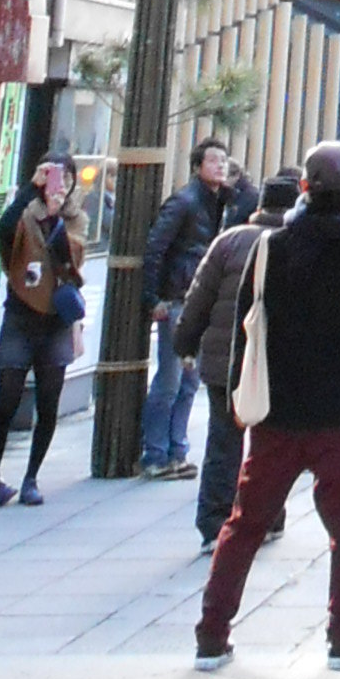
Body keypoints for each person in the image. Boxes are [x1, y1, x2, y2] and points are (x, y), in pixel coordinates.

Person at [194, 139, 340, 673]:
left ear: (304, 188)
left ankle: (212, 634)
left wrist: (242, 394)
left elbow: (246, 327)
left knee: (245, 523)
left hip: (279, 410)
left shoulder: (273, 247)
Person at [178, 166, 300, 550]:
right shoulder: (295, 243)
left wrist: (185, 343)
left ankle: (215, 524)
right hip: (276, 365)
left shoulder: (229, 241)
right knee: (271, 446)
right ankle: (268, 518)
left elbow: (199, 298)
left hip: (224, 359)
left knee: (223, 442)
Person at [139, 139, 248, 478]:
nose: (221, 166)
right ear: (198, 165)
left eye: (224, 160)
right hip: (177, 299)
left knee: (189, 381)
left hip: (201, 300)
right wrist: (153, 297)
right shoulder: (185, 202)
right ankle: (155, 454)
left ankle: (177, 451)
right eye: (213, 160)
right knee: (170, 379)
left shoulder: (223, 204)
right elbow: (156, 248)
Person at [0, 156, 87, 508]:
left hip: (55, 320)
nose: (62, 182)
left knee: (49, 401)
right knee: (7, 399)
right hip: (20, 316)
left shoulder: (76, 217)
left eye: (67, 176)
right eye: (55, 175)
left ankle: (31, 478)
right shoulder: (24, 212)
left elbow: (72, 260)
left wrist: (55, 216)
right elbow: (4, 231)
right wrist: (31, 188)